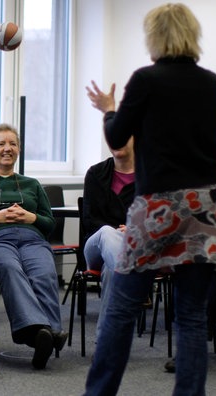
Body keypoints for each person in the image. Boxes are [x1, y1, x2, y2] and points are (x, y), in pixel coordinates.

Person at [83, 3, 216, 395]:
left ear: (154, 37)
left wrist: (109, 109)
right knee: (193, 316)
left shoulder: (145, 80)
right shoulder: (213, 83)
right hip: (206, 206)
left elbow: (117, 137)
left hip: (159, 205)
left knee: (123, 308)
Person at [0, 123, 68, 370]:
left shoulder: (31, 184)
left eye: (13, 144)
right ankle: (35, 331)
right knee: (9, 268)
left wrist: (32, 218)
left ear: (19, 150)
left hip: (32, 238)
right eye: (1, 144)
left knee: (44, 272)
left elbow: (49, 223)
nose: (8, 148)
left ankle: (49, 333)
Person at [82, 137, 136, 340]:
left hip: (131, 248)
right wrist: (117, 231)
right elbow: (89, 220)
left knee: (112, 273)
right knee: (106, 232)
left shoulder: (149, 176)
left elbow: (157, 218)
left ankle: (106, 342)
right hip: (95, 245)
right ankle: (132, 282)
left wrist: (133, 230)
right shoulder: (96, 174)